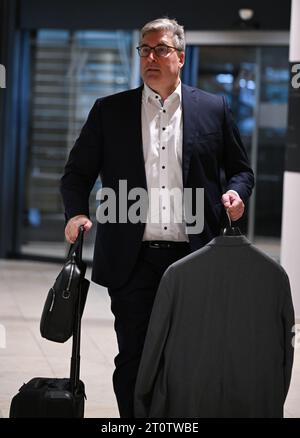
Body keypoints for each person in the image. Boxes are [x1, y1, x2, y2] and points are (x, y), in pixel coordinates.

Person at [60, 17, 255, 418]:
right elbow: (77, 174)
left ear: (180, 57)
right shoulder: (109, 111)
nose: (150, 57)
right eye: (144, 50)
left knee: (187, 358)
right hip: (133, 261)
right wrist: (76, 213)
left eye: (161, 49)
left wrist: (236, 194)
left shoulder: (212, 109)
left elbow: (241, 169)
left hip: (195, 258)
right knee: (133, 356)